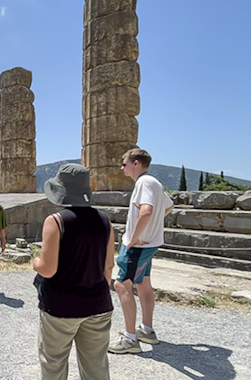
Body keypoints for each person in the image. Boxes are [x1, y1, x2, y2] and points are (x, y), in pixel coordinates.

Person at [33, 164, 116, 380]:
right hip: (98, 303)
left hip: (61, 305)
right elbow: (108, 266)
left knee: (54, 364)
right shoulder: (105, 221)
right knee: (96, 367)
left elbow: (48, 269)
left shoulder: (56, 221)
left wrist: (35, 262)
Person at [109, 149, 174, 354]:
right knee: (142, 283)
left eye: (124, 163)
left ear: (136, 163)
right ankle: (147, 330)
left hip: (138, 246)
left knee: (121, 285)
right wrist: (153, 227)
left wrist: (135, 236)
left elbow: (146, 211)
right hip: (150, 244)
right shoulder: (155, 183)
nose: (122, 167)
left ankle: (130, 339)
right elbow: (169, 206)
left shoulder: (143, 183)